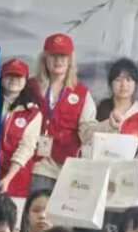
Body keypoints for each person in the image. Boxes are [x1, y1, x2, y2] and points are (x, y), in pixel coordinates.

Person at [29, 33, 96, 192]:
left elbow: (88, 131)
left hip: (68, 169)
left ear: (70, 60)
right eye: (53, 56)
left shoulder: (82, 93)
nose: (58, 61)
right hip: (37, 166)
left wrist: (109, 125)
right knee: (38, 205)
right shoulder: (30, 87)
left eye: (63, 56)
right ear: (45, 58)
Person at [0, 59, 43, 203]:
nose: (13, 80)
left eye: (18, 76)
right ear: (1, 78)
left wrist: (8, 178)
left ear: (25, 80)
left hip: (15, 178)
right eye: (9, 75)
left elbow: (26, 147)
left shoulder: (32, 112)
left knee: (11, 215)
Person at [92, 58, 138, 138]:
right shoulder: (99, 110)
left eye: (128, 80)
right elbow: (87, 138)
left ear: (136, 84)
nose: (123, 85)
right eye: (118, 80)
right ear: (110, 84)